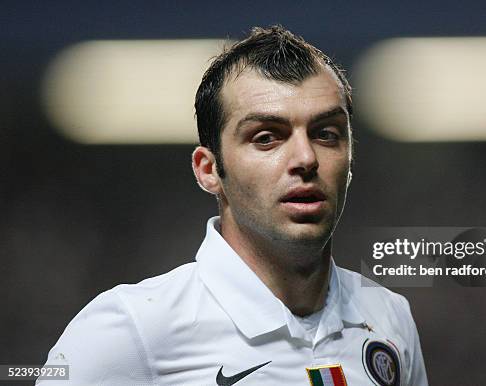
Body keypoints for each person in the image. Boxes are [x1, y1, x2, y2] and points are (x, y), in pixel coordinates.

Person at [39, 26, 428, 386]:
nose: (306, 158)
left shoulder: (390, 318)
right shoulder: (131, 330)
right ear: (209, 170)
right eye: (266, 137)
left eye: (326, 134)